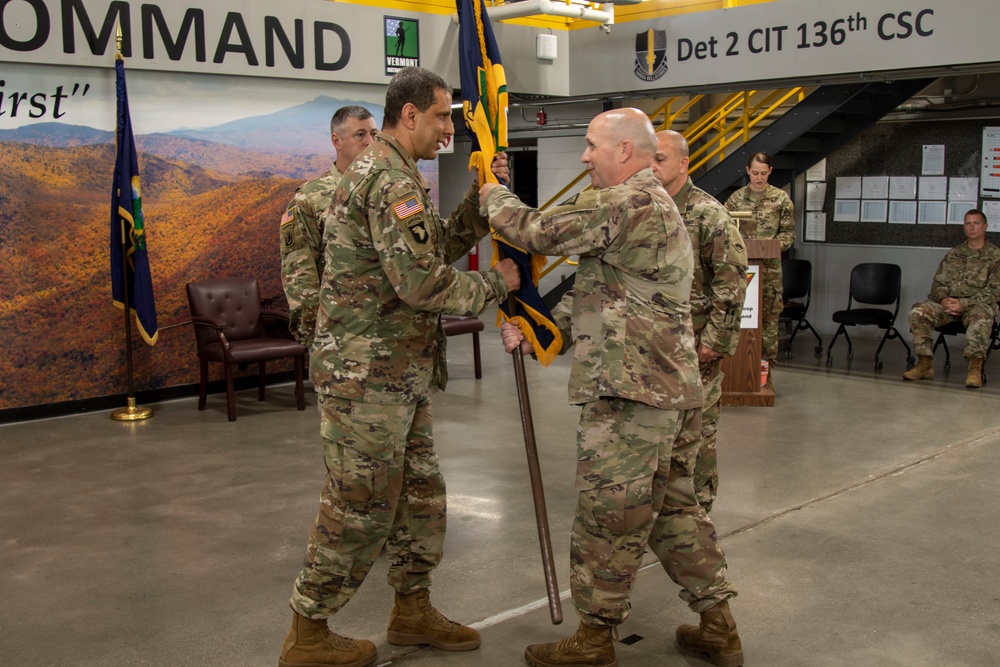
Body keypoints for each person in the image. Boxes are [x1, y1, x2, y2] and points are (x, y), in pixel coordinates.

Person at [480, 108, 743, 667]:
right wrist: (538, 335)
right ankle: (719, 625)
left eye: (591, 145)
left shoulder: (628, 202)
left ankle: (595, 639)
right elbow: (602, 296)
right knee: (674, 511)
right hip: (664, 392)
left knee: (609, 515)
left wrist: (491, 190)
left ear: (625, 150)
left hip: (633, 395)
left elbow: (535, 231)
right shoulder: (646, 208)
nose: (583, 156)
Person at [279, 67, 521, 667]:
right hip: (367, 378)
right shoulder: (387, 179)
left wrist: (478, 196)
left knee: (419, 496)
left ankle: (411, 610)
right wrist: (495, 283)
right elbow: (419, 281)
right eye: (442, 116)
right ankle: (307, 630)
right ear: (409, 115)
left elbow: (431, 243)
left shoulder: (396, 173)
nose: (449, 129)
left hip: (396, 375)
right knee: (358, 503)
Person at [652, 130, 748, 514]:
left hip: (696, 349)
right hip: (654, 348)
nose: (653, 166)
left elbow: (732, 280)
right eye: (650, 159)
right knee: (659, 436)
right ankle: (661, 510)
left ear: (683, 163)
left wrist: (715, 341)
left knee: (698, 434)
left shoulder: (708, 213)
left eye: (660, 158)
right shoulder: (647, 209)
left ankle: (698, 508)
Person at [279, 106, 378, 346]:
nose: (370, 142)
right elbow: (300, 273)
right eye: (360, 135)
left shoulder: (386, 190)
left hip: (386, 328)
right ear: (337, 141)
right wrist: (315, 336)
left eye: (374, 134)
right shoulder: (310, 198)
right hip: (339, 332)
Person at [903, 208, 1000, 388]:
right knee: (918, 312)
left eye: (976, 223)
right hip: (948, 305)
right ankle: (925, 364)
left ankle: (974, 370)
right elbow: (938, 284)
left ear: (985, 226)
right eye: (968, 223)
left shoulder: (996, 256)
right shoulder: (954, 254)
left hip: (977, 305)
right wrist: (944, 300)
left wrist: (963, 304)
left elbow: (995, 291)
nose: (971, 227)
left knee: (981, 319)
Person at [724, 151, 794, 389]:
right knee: (737, 320)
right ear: (747, 171)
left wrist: (771, 247)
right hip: (740, 271)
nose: (759, 178)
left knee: (768, 324)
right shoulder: (735, 199)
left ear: (770, 172)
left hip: (770, 272)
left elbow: (789, 234)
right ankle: (736, 371)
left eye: (764, 173)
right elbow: (726, 230)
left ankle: (766, 372)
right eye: (755, 173)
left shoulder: (781, 198)